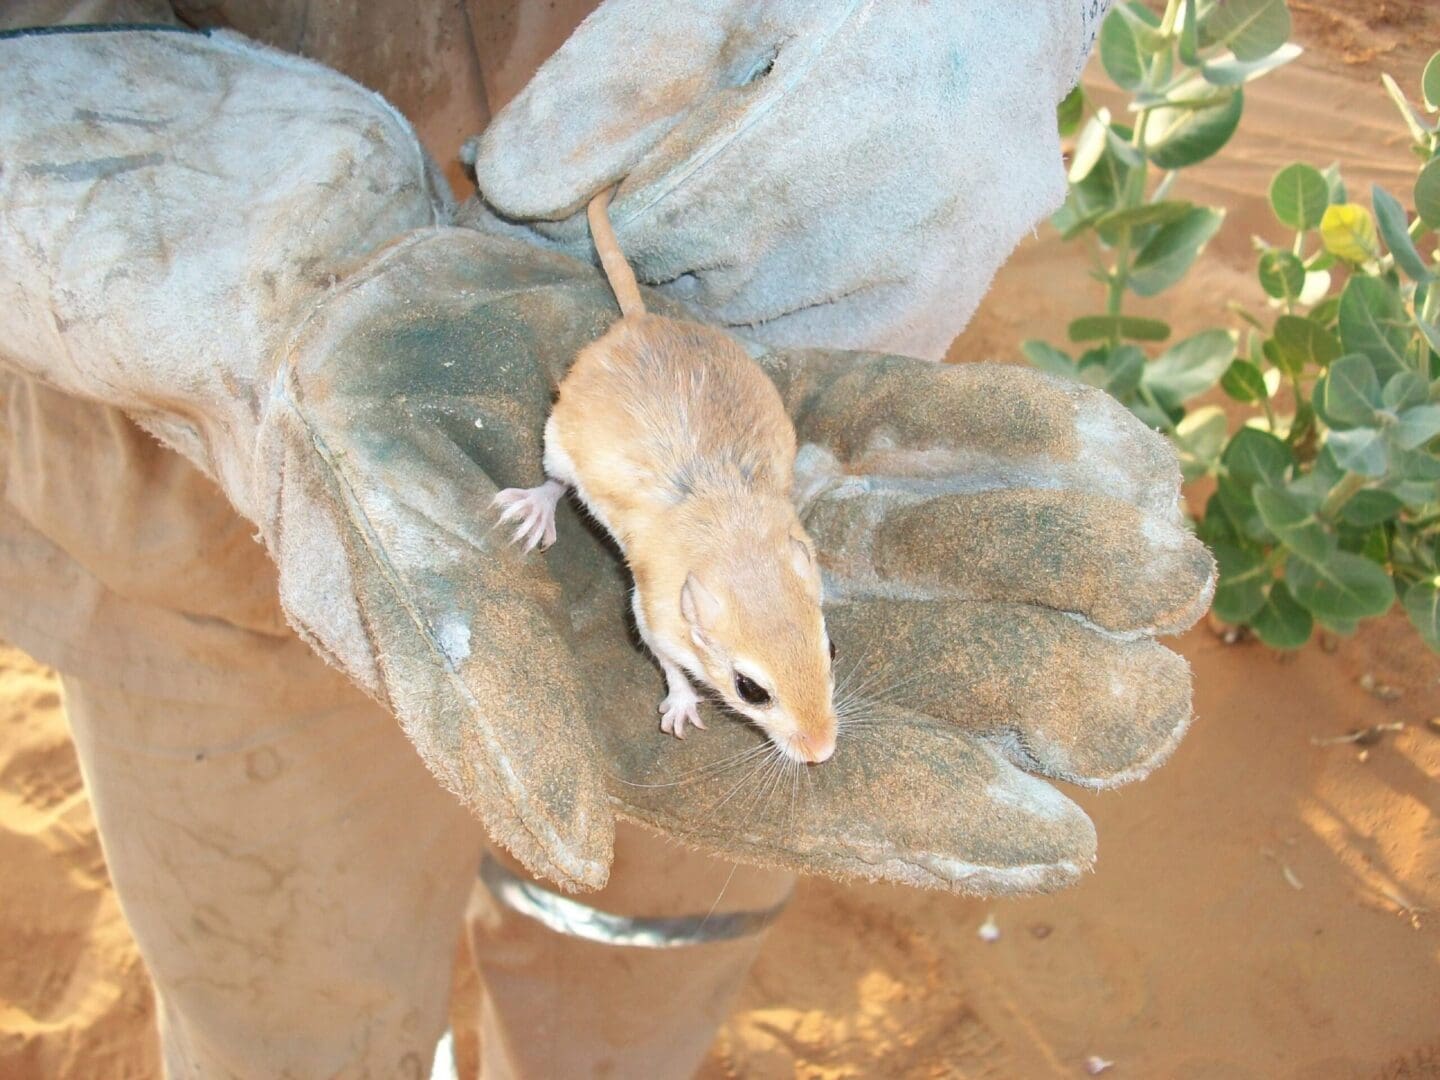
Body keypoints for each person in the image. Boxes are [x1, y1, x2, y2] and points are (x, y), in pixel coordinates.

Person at [0, 2, 1214, 1076]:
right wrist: (220, 253)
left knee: (652, 941)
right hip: (186, 527)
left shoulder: (775, 593)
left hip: (751, 289)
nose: (808, 736)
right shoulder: (674, 607)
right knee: (287, 1003)